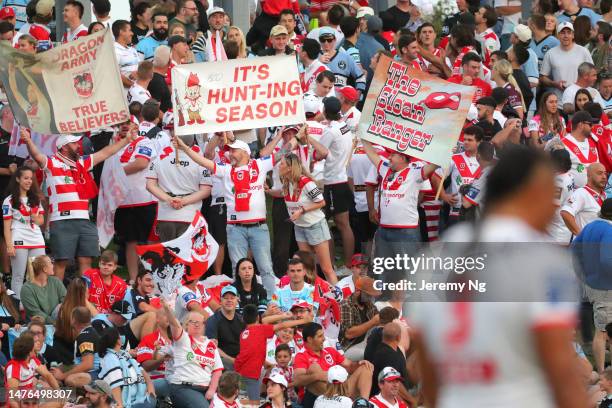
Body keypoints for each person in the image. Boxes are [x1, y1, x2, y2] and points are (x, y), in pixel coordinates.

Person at [411, 146, 587, 407]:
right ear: (532, 192)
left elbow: (425, 362)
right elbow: (561, 370)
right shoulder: (544, 261)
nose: (552, 210)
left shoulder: (436, 253)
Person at [174, 133, 295, 297]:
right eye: (229, 151)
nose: (229, 153)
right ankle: (241, 304)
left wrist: (299, 137)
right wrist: (185, 147)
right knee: (237, 269)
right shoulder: (225, 170)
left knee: (266, 268)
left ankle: (271, 302)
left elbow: (284, 151)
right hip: (235, 229)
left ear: (245, 152)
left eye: (233, 151)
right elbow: (202, 160)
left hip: (258, 227)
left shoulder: (259, 165)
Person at [20, 125, 135, 281]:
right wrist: (27, 140)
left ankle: (83, 298)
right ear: (64, 147)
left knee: (86, 260)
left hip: (84, 219)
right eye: (74, 143)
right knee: (61, 262)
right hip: (61, 220)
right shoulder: (52, 162)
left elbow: (106, 152)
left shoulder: (82, 162)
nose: (78, 146)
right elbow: (37, 155)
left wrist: (126, 140)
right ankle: (58, 301)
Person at [235, 304, 309, 404]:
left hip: (241, 371)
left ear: (243, 320)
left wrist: (265, 363)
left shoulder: (243, 334)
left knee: (245, 399)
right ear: (257, 317)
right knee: (254, 404)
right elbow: (281, 325)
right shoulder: (261, 329)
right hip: (252, 375)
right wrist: (303, 321)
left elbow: (252, 351)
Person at [278, 152, 336, 282]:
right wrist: (267, 190)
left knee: (326, 268)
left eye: (281, 164)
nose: (278, 166)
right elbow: (282, 194)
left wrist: (302, 210)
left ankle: (338, 299)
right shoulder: (288, 182)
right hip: (300, 227)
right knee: (308, 268)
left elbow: (321, 202)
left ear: (289, 167)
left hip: (315, 225)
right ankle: (314, 297)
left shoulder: (305, 182)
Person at [146, 133, 212, 242]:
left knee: (168, 256)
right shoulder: (199, 159)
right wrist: (183, 201)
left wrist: (169, 199)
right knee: (187, 256)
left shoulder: (160, 157)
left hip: (166, 215)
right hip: (190, 216)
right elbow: (206, 191)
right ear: (192, 142)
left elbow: (150, 185)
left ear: (174, 140)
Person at [572, 198, 612, 374]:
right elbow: (606, 260)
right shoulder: (609, 230)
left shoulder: (590, 226)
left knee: (603, 328)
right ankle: (604, 373)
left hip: (592, 284)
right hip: (605, 286)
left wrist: (583, 274)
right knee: (604, 331)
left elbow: (575, 249)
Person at [293, 322, 373, 408]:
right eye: (320, 336)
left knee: (365, 367)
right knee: (314, 367)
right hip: (321, 398)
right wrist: (317, 375)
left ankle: (364, 404)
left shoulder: (330, 350)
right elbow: (297, 381)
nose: (324, 339)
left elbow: (349, 366)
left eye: (323, 335)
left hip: (342, 391)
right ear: (309, 339)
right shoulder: (301, 356)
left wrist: (359, 363)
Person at [163, 300, 223, 408]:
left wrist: (212, 390)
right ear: (186, 324)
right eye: (193, 322)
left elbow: (217, 371)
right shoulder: (183, 339)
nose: (197, 325)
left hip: (206, 389)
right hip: (183, 387)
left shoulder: (210, 344)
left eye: (200, 322)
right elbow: (175, 325)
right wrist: (168, 310)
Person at [2, 166, 44, 301]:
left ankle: (36, 305)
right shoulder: (9, 200)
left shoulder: (36, 199)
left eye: (31, 178)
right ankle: (18, 307)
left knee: (37, 274)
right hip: (19, 239)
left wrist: (36, 219)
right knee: (19, 275)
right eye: (26, 178)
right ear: (18, 179)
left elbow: (41, 221)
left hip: (36, 239)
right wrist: (9, 245)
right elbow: (6, 226)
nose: (29, 181)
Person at [98, 326, 156, 408]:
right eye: (119, 336)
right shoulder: (110, 358)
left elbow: (142, 371)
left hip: (140, 393)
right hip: (130, 402)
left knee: (165, 383)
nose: (122, 338)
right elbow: (115, 384)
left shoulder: (123, 354)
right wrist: (120, 405)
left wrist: (151, 388)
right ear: (118, 341)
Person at [540, 21, 594, 102]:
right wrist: (554, 83)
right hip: (559, 101)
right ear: (558, 35)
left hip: (581, 101)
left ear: (573, 35)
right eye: (562, 33)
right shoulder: (550, 53)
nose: (566, 36)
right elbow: (542, 77)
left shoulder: (583, 51)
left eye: (569, 33)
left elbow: (592, 73)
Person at [5, 332, 59, 407]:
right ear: (29, 351)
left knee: (52, 393)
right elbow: (13, 399)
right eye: (35, 342)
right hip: (22, 403)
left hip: (30, 396)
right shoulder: (14, 367)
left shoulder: (32, 360)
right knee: (57, 402)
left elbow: (48, 375)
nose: (38, 343)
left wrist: (59, 393)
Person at [52, 306, 100, 387]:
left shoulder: (85, 337)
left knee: (70, 380)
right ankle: (57, 389)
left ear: (73, 319)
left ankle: (72, 396)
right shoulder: (89, 331)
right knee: (55, 371)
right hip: (87, 370)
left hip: (93, 373)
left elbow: (88, 365)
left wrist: (63, 376)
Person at [445, 126, 482, 225]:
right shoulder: (454, 158)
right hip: (456, 213)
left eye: (470, 140)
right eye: (464, 139)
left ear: (479, 142)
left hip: (477, 215)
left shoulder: (486, 162)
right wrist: (444, 196)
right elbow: (436, 177)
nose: (465, 142)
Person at [339, 277, 379, 362]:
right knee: (373, 354)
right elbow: (349, 334)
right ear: (357, 291)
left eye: (372, 296)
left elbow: (380, 318)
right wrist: (372, 322)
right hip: (348, 347)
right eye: (368, 295)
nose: (370, 298)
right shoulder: (346, 305)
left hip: (366, 343)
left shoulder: (368, 304)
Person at [205, 285, 245, 370]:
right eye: (226, 298)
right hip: (222, 361)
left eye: (232, 298)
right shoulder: (212, 321)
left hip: (241, 360)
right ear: (220, 300)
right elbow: (212, 347)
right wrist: (232, 360)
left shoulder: (242, 319)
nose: (229, 300)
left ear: (237, 300)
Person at [562, 162, 607, 236]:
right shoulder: (581, 193)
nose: (604, 177)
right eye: (599, 173)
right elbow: (565, 213)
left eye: (605, 173)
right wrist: (581, 236)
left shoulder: (604, 195)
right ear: (589, 176)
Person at [136, 307, 172, 398]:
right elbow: (146, 366)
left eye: (170, 314)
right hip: (157, 383)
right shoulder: (148, 339)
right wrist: (161, 360)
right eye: (165, 314)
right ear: (157, 319)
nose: (169, 317)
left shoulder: (179, 340)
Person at [92, 299, 156, 350]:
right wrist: (128, 353)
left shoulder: (121, 325)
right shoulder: (98, 323)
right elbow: (102, 349)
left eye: (127, 318)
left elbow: (124, 348)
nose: (125, 320)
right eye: (124, 318)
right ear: (114, 313)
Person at [318, 27, 365, 94]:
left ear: (334, 40)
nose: (326, 43)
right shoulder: (315, 57)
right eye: (323, 40)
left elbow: (361, 77)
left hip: (340, 102)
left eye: (329, 40)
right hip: (319, 101)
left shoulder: (345, 57)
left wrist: (357, 96)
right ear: (319, 41)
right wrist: (317, 64)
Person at [560, 110, 601, 188]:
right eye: (590, 124)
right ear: (581, 125)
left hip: (592, 194)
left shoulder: (592, 142)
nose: (593, 127)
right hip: (573, 196)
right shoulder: (562, 144)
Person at [20, 255, 65, 323]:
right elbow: (35, 312)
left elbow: (66, 300)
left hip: (58, 322)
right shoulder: (27, 288)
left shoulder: (56, 281)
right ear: (45, 269)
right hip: (37, 325)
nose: (53, 265)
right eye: (51, 263)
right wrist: (54, 323)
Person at [548, 149, 575, 245]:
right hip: (564, 228)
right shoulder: (569, 176)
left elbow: (552, 206)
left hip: (556, 232)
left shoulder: (558, 183)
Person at [148, 45, 172, 112]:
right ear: (169, 60)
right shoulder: (157, 81)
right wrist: (167, 120)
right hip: (162, 121)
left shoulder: (156, 77)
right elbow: (154, 110)